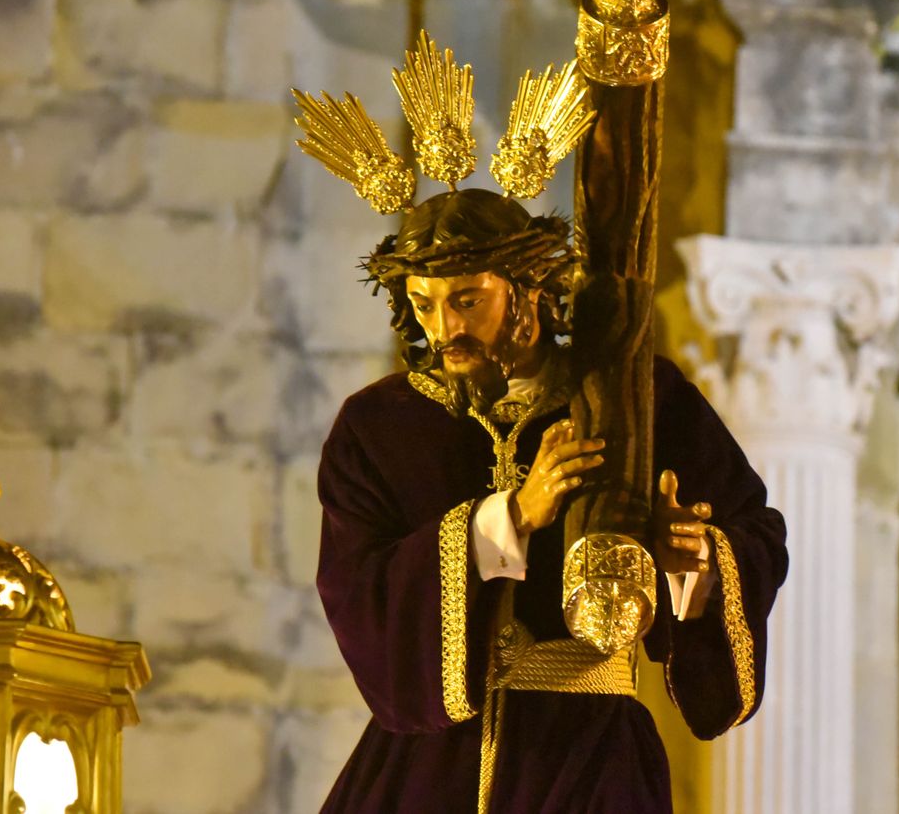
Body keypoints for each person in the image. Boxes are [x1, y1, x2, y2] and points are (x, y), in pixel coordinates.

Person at [310, 186, 789, 812]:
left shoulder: (640, 397)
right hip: (432, 769)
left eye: (468, 300)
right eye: (423, 305)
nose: (444, 329)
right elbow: (356, 588)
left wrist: (695, 560)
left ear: (528, 286)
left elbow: (756, 531)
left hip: (593, 755)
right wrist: (508, 518)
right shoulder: (378, 426)